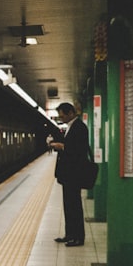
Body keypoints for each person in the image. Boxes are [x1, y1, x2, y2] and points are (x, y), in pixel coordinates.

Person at [48, 102, 88, 247]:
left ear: (70, 113)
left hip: (74, 174)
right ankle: (70, 234)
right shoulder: (71, 127)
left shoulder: (80, 127)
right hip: (68, 174)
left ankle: (78, 237)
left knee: (75, 206)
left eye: (62, 115)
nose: (61, 118)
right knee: (68, 205)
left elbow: (80, 150)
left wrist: (62, 146)